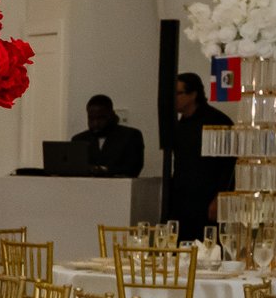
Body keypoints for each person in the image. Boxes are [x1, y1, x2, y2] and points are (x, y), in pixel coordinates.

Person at [160, 71, 235, 230]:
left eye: (178, 93)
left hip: (207, 199)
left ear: (193, 94)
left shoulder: (217, 121)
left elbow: (229, 165)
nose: (174, 98)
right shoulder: (180, 123)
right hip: (182, 198)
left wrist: (219, 198)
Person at [77, 94, 144, 176]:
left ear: (112, 115)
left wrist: (104, 170)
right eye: (91, 118)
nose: (95, 123)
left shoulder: (130, 136)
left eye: (101, 118)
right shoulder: (79, 140)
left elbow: (132, 169)